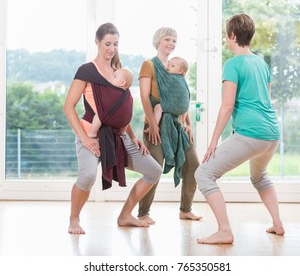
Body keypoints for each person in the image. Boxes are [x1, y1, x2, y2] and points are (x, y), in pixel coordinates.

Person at [63, 22, 162, 234]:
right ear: (97, 42)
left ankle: (126, 215)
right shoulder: (87, 71)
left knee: (154, 171)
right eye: (107, 43)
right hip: (91, 136)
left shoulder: (119, 73)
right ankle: (74, 219)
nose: (111, 48)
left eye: (115, 44)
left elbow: (122, 110)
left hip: (119, 137)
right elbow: (68, 107)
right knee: (88, 176)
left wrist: (133, 137)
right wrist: (85, 137)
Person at [195, 14, 285, 244]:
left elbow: (227, 106)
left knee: (204, 173)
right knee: (260, 176)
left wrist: (214, 140)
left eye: (226, 34)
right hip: (272, 133)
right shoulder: (261, 63)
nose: (226, 39)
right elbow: (267, 97)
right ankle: (277, 224)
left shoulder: (232, 64)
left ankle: (224, 231)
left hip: (251, 134)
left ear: (232, 35)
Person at [138, 27, 202, 224]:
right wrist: (153, 125)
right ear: (158, 41)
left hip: (178, 127)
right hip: (155, 127)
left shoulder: (178, 67)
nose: (171, 43)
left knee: (193, 166)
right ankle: (143, 213)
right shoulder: (149, 65)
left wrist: (189, 124)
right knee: (154, 168)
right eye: (167, 39)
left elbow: (182, 98)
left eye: (174, 40)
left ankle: (185, 209)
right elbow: (144, 96)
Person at [88, 68, 134, 139]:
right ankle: (121, 133)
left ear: (122, 83)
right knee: (127, 116)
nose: (111, 78)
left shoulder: (113, 92)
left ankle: (93, 133)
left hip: (112, 120)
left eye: (114, 76)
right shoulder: (128, 94)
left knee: (99, 113)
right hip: (124, 122)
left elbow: (104, 102)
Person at [145, 56, 189, 132]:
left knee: (158, 108)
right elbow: (185, 94)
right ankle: (182, 123)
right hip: (184, 108)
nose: (168, 67)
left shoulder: (171, 78)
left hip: (177, 106)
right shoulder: (183, 80)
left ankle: (154, 126)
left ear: (180, 71)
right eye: (169, 64)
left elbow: (163, 85)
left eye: (172, 66)